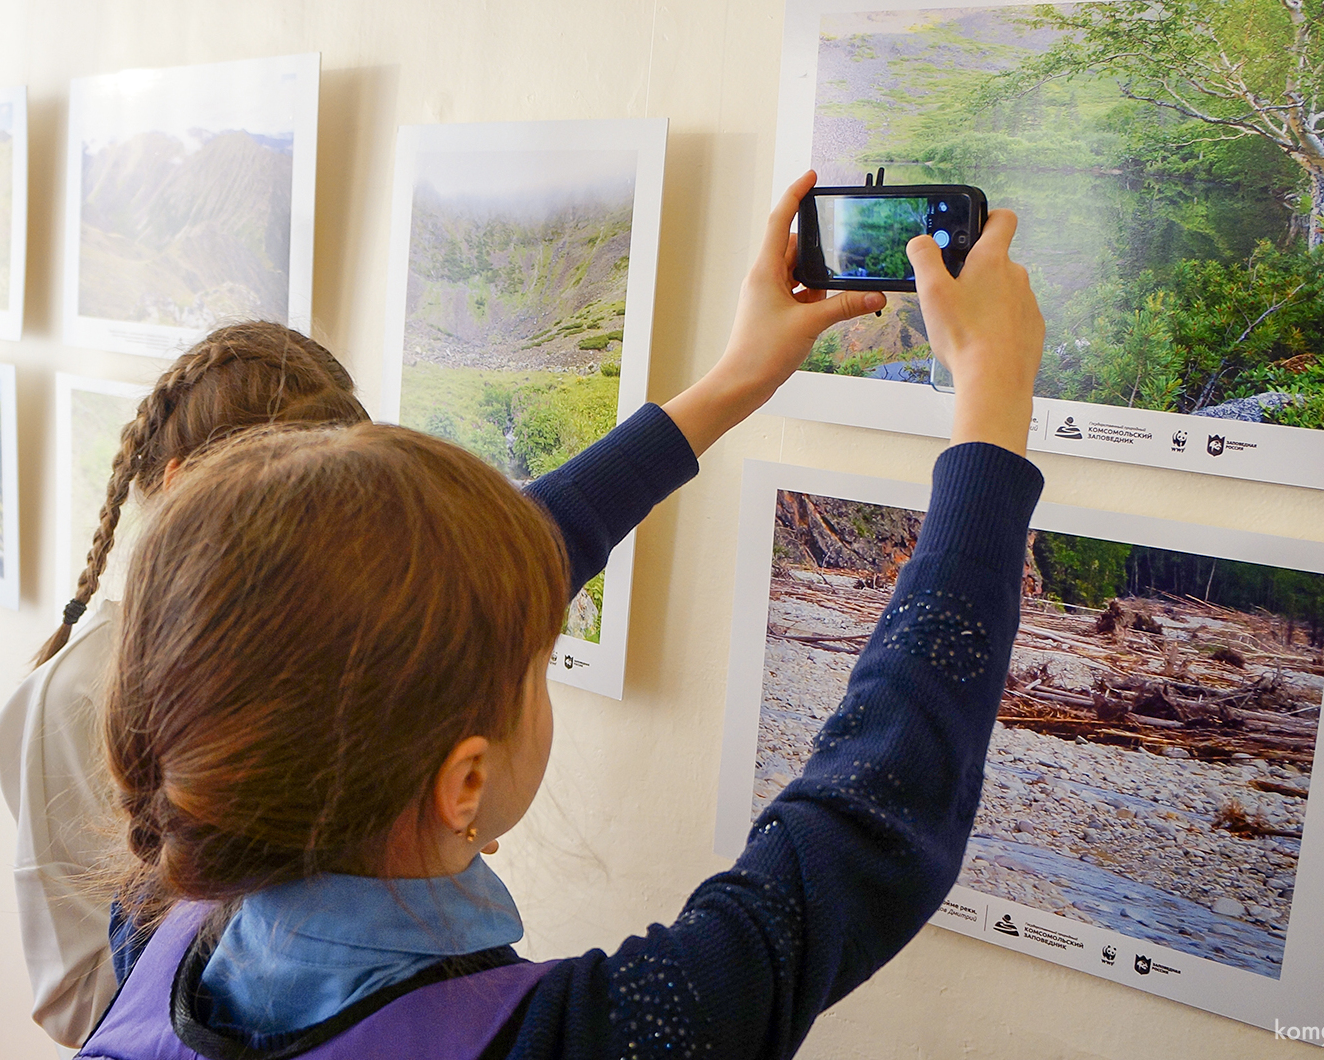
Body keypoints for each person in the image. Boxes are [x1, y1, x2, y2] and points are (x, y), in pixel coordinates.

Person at [76, 168, 1046, 1060]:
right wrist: (992, 421)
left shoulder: (156, 938)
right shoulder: (569, 1042)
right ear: (463, 782)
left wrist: (731, 383)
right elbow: (864, 819)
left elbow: (451, 585)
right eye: (535, 656)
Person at [0, 322, 372, 1046]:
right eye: (301, 513)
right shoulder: (78, 698)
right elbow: (75, 997)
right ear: (188, 494)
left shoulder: (298, 648)